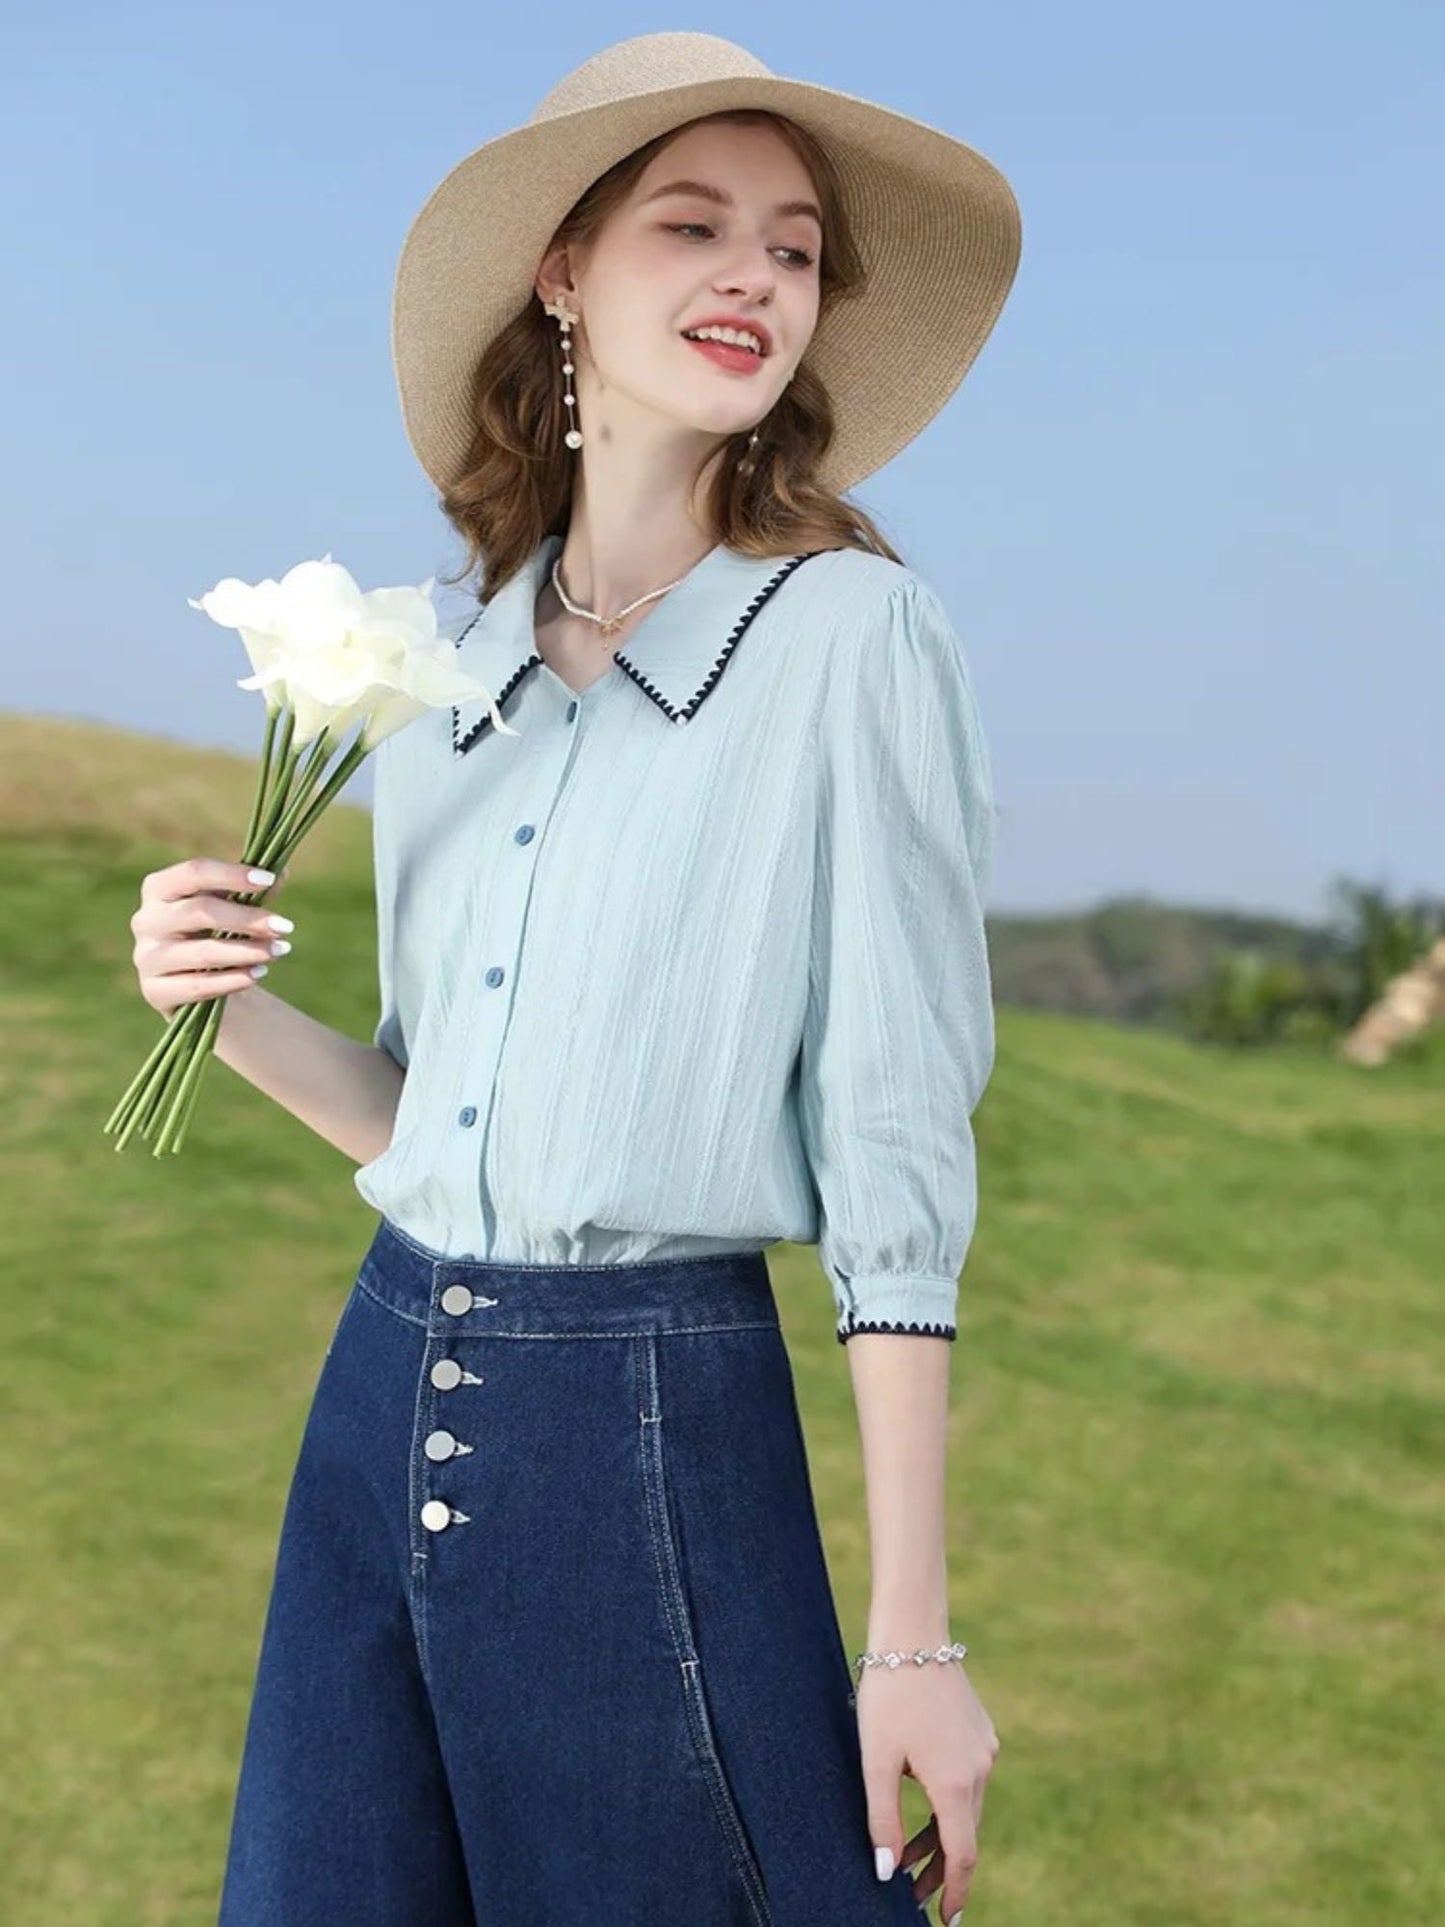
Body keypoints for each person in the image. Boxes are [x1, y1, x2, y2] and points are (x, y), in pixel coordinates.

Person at [131, 30, 1022, 1927]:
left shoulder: (851, 638)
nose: (752, 281)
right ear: (563, 269)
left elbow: (890, 1158)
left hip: (648, 1409)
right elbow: (423, 1106)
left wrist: (917, 1640)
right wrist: (222, 1005)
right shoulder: (445, 672)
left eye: (790, 249)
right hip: (378, 1389)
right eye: (691, 225)